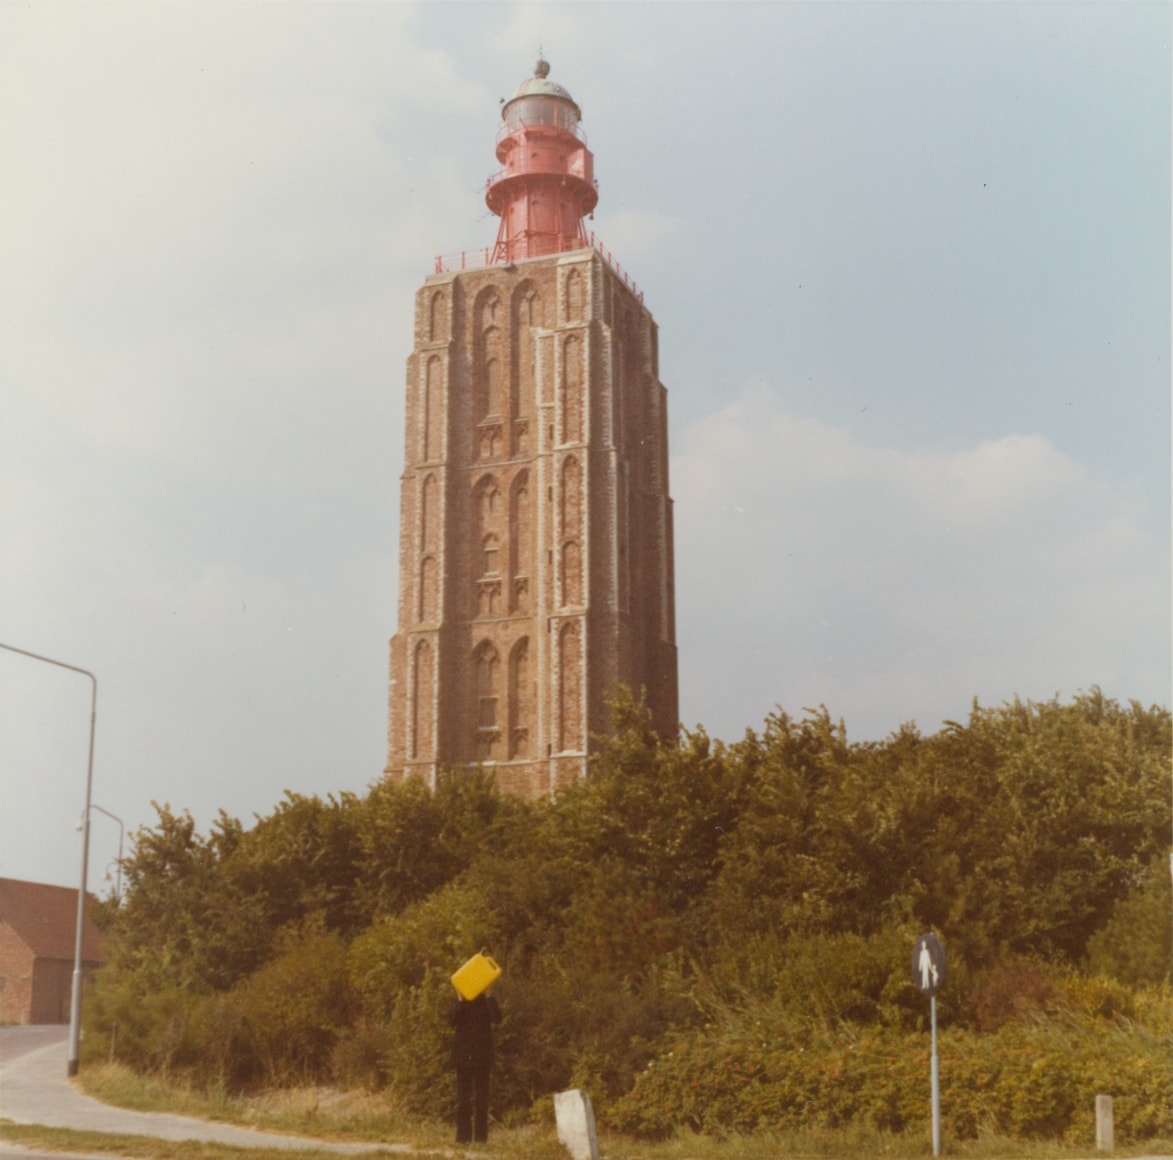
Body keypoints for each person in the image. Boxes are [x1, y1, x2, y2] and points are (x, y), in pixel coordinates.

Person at [448, 988, 502, 1144]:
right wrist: (459, 999)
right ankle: (462, 1138)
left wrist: (489, 996)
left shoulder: (485, 1002)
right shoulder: (460, 1002)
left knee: (482, 1100)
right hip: (464, 1057)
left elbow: (496, 1018)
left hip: (482, 1057)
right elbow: (451, 1021)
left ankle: (480, 1138)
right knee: (463, 1099)